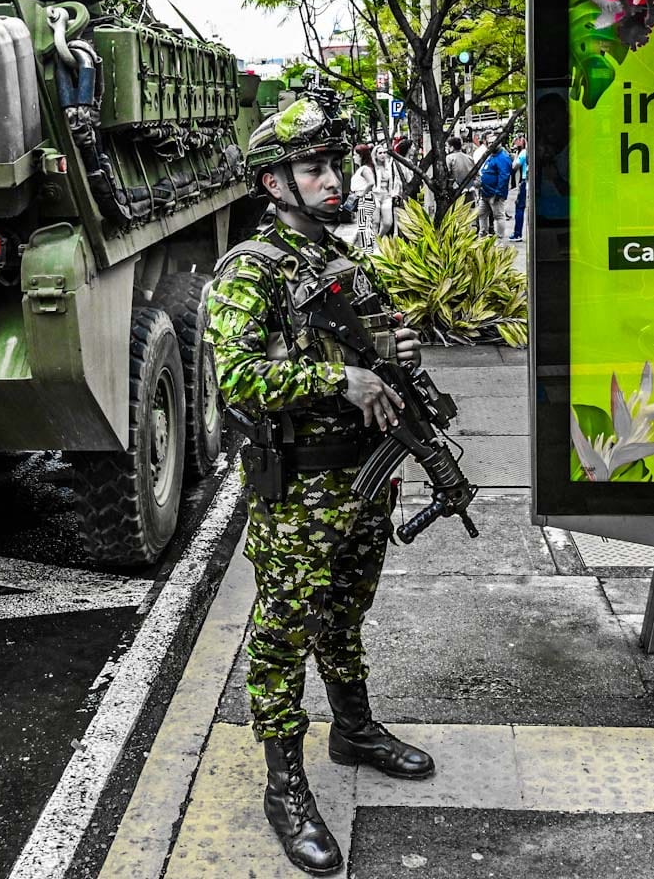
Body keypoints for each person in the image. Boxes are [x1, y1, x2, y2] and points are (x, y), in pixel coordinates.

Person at [207, 92, 434, 876]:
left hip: (362, 478)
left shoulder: (345, 263)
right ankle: (284, 785)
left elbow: (384, 353)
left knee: (346, 613)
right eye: (313, 167)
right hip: (298, 489)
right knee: (282, 632)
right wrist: (339, 379)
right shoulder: (251, 272)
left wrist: (396, 352)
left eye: (332, 163)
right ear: (275, 184)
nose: (332, 178)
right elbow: (234, 377)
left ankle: (355, 729)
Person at [475, 136, 513, 236]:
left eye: (494, 142)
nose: (491, 144)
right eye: (489, 142)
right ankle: (483, 233)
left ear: (499, 142)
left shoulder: (503, 158)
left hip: (494, 194)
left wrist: (498, 194)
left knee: (499, 216)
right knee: (481, 214)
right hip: (485, 193)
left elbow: (504, 177)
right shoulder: (491, 156)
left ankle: (501, 237)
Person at [507, 134, 529, 241]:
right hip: (527, 181)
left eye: (516, 140)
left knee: (519, 207)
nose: (515, 142)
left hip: (524, 181)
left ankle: (517, 233)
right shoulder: (528, 152)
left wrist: (516, 154)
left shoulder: (523, 153)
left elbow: (514, 166)